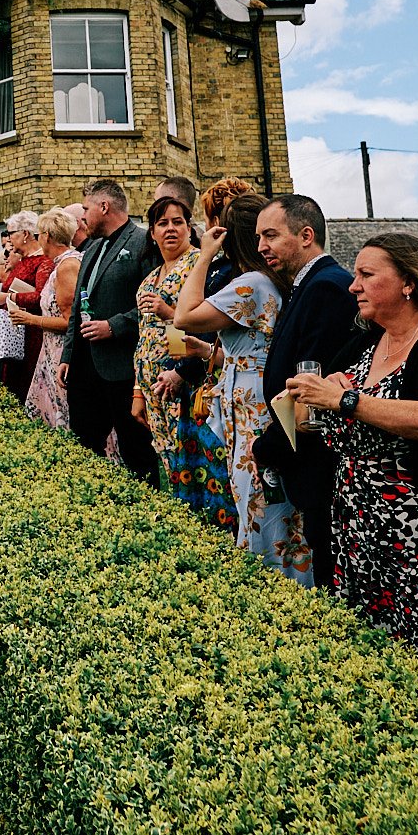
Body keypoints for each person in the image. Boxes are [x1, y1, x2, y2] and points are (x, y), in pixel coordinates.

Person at [287, 233, 418, 685]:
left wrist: (348, 402)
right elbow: (315, 411)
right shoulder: (363, 346)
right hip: (357, 523)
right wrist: (306, 399)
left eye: (367, 275)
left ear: (409, 282)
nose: (353, 285)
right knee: (375, 651)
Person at [176, 194, 313, 585]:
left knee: (258, 498)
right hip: (254, 394)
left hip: (252, 407)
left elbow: (185, 315)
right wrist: (212, 354)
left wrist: (203, 256)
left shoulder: (250, 284)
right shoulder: (270, 282)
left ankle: (275, 582)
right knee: (262, 499)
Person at [251, 193, 358, 578]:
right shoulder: (307, 283)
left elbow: (312, 381)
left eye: (271, 236)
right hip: (300, 448)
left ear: (306, 235)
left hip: (315, 452)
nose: (261, 246)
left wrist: (270, 446)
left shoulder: (327, 286)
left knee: (327, 555)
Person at [130, 196, 233, 531]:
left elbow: (195, 327)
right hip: (152, 388)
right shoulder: (150, 278)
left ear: (190, 228)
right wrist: (138, 391)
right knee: (168, 461)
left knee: (194, 465)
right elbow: (143, 335)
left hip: (185, 385)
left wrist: (168, 313)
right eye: (162, 223)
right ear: (152, 234)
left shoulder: (197, 266)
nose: (170, 229)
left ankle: (204, 532)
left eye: (178, 222)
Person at [55, 180, 158, 478]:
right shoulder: (91, 249)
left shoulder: (141, 242)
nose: (83, 217)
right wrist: (68, 355)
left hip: (122, 366)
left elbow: (155, 300)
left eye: (86, 209)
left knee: (135, 448)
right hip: (85, 367)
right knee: (85, 445)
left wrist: (114, 326)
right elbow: (77, 307)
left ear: (104, 207)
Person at [16, 208, 79, 430]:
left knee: (65, 416)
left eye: (40, 234)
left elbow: (71, 321)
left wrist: (30, 319)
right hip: (50, 350)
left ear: (48, 236)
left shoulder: (68, 265)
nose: (38, 238)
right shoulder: (60, 264)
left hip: (62, 352)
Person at [0, 212, 52, 397]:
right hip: (16, 334)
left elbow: (42, 298)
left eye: (11, 233)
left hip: (32, 334)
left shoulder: (42, 261)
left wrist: (9, 298)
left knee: (27, 387)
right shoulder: (23, 261)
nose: (8, 239)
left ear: (25, 234)